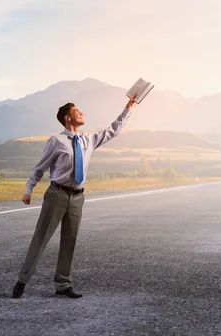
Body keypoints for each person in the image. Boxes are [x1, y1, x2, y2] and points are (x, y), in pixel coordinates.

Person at [12, 95, 138, 299]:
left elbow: (112, 130)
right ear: (67, 118)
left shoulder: (88, 140)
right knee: (41, 238)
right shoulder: (56, 141)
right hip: (56, 194)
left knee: (69, 241)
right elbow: (40, 167)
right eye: (76, 111)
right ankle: (22, 281)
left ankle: (62, 284)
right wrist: (29, 189)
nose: (81, 113)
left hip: (78, 197)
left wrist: (128, 108)